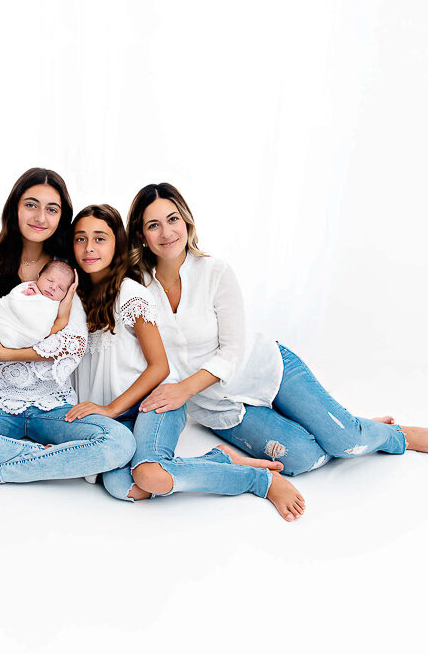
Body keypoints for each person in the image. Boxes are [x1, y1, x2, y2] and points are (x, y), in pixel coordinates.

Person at [126, 182, 428, 482]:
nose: (166, 232)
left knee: (345, 442)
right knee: (302, 459)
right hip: (221, 407)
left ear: (187, 223)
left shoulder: (216, 272)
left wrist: (183, 390)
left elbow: (231, 352)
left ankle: (393, 435)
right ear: (141, 235)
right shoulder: (136, 290)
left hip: (266, 369)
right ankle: (346, 427)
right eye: (153, 225)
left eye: (173, 219)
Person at [68, 204, 305, 521]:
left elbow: (160, 368)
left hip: (152, 402)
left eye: (100, 238)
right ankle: (219, 459)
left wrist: (111, 409)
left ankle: (260, 480)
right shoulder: (75, 297)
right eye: (80, 239)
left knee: (150, 476)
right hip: (117, 417)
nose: (89, 248)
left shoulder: (130, 293)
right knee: (121, 486)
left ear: (118, 244)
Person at [0, 168, 134, 494]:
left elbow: (73, 344)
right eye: (31, 205)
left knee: (119, 443)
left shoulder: (66, 270)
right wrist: (49, 332)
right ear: (14, 208)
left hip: (54, 404)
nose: (40, 217)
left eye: (52, 209)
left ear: (61, 217)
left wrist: (14, 349)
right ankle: (55, 460)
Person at [0, 259, 75, 349]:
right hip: (3, 322)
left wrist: (39, 296)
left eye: (61, 288)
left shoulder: (55, 305)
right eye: (49, 280)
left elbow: (41, 326)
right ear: (38, 277)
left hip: (23, 336)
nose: (53, 287)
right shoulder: (29, 287)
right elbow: (15, 300)